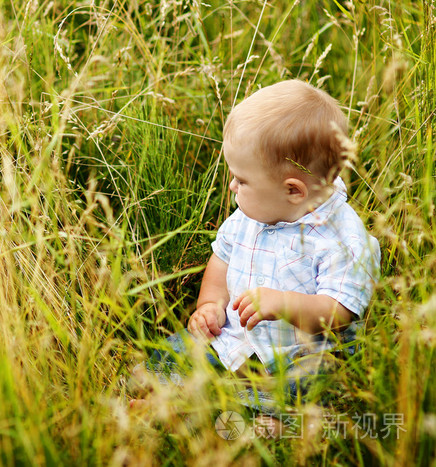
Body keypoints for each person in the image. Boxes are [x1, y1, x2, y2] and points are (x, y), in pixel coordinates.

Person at [130, 80, 381, 434]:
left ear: (293, 190)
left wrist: (282, 303)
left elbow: (339, 313)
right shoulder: (247, 216)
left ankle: (267, 422)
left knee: (319, 379)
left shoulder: (345, 238)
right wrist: (211, 306)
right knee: (182, 351)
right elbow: (221, 262)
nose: (232, 187)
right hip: (236, 340)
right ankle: (177, 403)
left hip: (299, 352)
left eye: (241, 180)